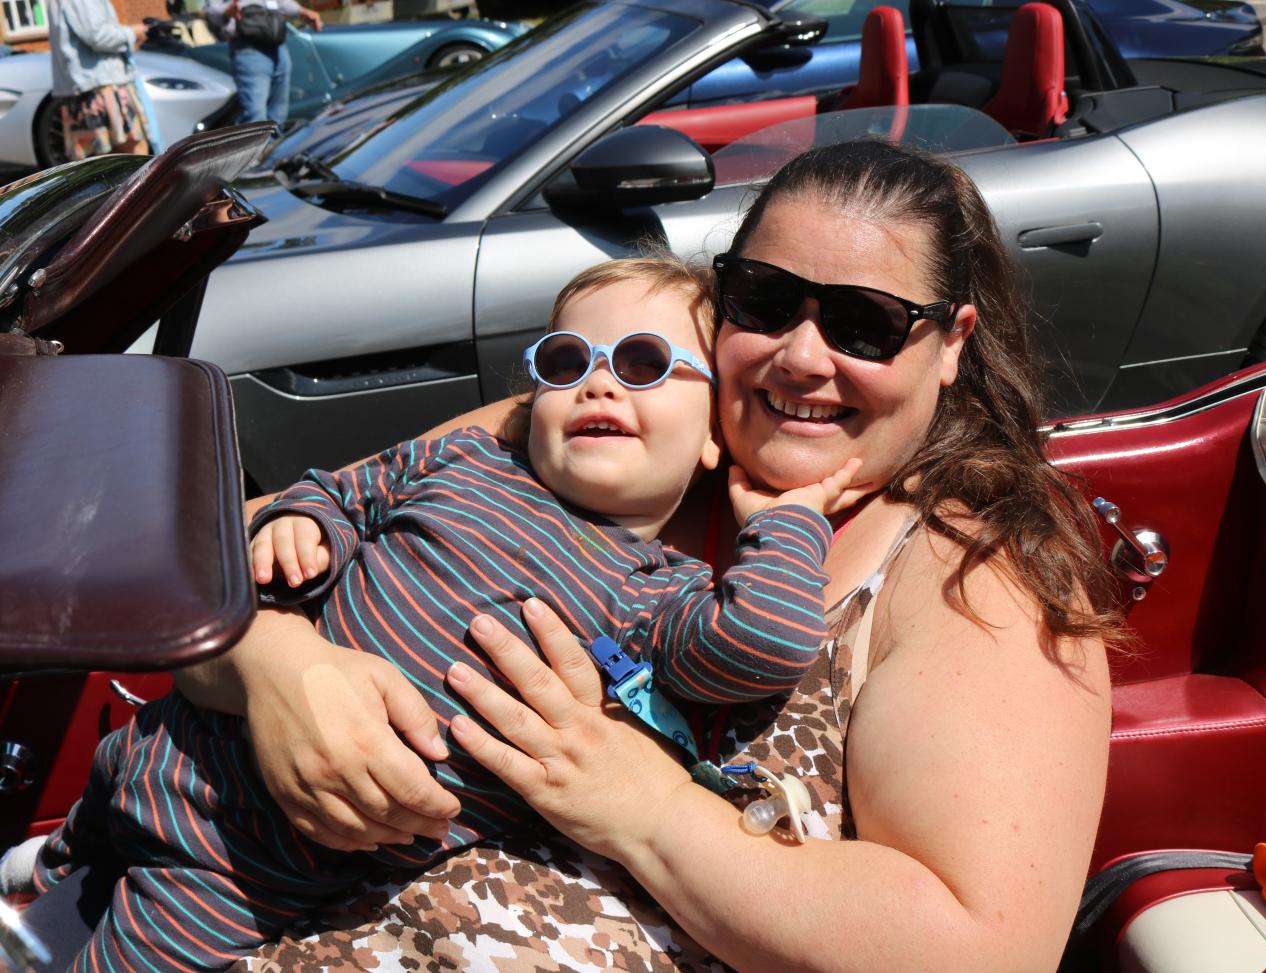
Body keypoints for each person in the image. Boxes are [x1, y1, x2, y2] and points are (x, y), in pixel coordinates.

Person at [175, 139, 1120, 971]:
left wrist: (646, 807)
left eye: (862, 323)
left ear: (951, 343)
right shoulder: (604, 422)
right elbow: (200, 561)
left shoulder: (969, 568)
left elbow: (981, 950)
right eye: (766, 298)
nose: (800, 354)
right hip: (230, 907)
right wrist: (274, 664)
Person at [25, 257, 861, 971]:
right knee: (74, 851)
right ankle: (49, 879)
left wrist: (788, 518)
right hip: (178, 736)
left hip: (257, 858)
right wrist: (303, 524)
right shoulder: (463, 456)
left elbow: (763, 639)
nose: (598, 379)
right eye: (565, 360)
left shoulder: (654, 592)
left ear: (714, 435)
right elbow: (344, 487)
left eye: (644, 362)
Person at [46, 0, 153, 160]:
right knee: (134, 160)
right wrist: (135, 32)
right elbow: (98, 36)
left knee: (105, 168)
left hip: (88, 90)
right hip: (102, 90)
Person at [204, 0, 321, 126]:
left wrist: (301, 12)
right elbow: (212, 11)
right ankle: (253, 146)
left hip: (277, 46)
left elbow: (280, 3)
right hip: (249, 48)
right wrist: (227, 11)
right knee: (255, 117)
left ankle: (274, 145)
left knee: (278, 115)